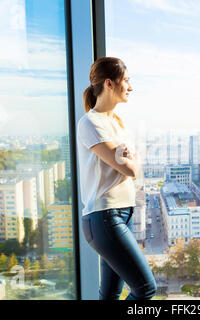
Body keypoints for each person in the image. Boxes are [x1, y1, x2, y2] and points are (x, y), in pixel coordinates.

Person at [77, 57, 157, 300]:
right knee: (145, 289)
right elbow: (130, 170)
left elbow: (134, 165)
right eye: (127, 81)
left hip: (123, 213)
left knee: (110, 294)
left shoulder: (118, 125)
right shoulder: (90, 123)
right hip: (104, 217)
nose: (130, 88)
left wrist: (127, 157)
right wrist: (126, 158)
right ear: (110, 84)